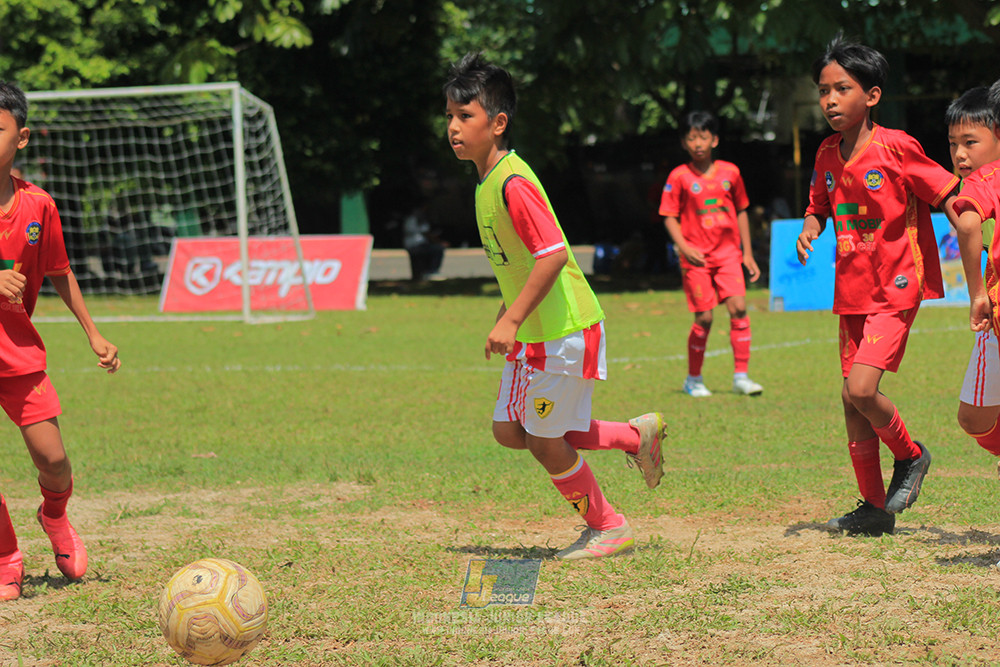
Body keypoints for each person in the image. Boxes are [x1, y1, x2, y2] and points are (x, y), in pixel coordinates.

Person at [443, 53, 667, 560]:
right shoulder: (484, 181)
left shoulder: (512, 183)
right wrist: (507, 317)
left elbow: (552, 256)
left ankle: (609, 527)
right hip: (534, 334)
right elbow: (517, 263)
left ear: (498, 123)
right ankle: (634, 436)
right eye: (450, 117)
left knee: (546, 443)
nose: (454, 128)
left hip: (564, 330)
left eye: (465, 116)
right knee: (511, 431)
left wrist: (514, 318)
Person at [796, 36, 959, 536]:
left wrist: (975, 224)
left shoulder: (897, 146)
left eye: (841, 88)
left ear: (871, 96)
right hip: (850, 291)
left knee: (863, 388)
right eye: (823, 90)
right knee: (851, 399)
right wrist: (809, 227)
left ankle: (911, 456)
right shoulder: (825, 153)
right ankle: (873, 509)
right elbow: (819, 207)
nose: (829, 100)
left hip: (895, 286)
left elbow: (947, 191)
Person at [0, 82, 122, 601]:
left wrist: (93, 333)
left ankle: (55, 517)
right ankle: (5, 556)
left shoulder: (38, 205)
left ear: (20, 138)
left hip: (17, 355)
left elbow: (59, 270)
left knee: (52, 459)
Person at [659, 110, 763, 398]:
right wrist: (684, 247)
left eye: (703, 136)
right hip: (697, 259)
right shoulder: (678, 177)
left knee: (738, 309)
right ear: (684, 143)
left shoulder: (731, 173)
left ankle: (741, 377)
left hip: (728, 255)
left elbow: (742, 210)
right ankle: (693, 379)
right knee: (704, 318)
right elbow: (668, 216)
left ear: (714, 140)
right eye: (691, 138)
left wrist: (747, 253)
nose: (698, 143)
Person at [951, 83, 1000, 459]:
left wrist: (977, 295)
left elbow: (967, 225)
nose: (960, 154)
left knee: (972, 419)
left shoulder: (984, 180)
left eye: (970, 142)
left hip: (996, 313)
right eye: (953, 144)